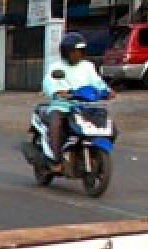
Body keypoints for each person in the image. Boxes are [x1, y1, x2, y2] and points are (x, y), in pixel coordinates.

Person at [42, 32, 110, 172]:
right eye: (73, 52)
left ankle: (95, 153)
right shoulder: (56, 67)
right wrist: (56, 91)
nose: (77, 55)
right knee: (56, 125)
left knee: (107, 124)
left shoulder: (88, 66)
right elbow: (48, 82)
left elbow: (97, 82)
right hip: (62, 106)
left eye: (79, 51)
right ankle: (56, 159)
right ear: (66, 52)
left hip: (84, 106)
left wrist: (107, 91)